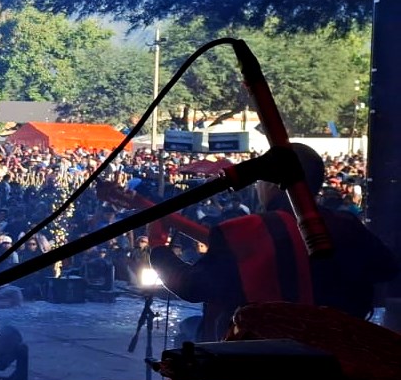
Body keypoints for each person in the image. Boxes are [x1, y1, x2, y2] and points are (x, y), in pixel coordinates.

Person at [151, 144, 398, 340]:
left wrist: (158, 250)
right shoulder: (348, 226)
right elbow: (387, 268)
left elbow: (192, 286)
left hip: (258, 364)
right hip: (338, 357)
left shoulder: (245, 231)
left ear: (271, 183)